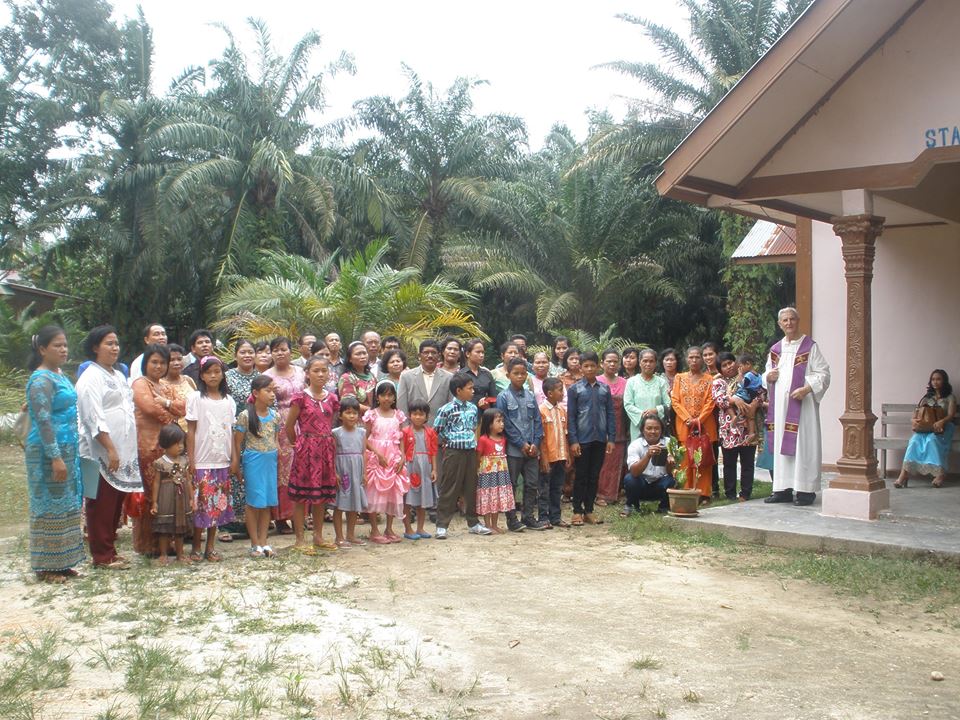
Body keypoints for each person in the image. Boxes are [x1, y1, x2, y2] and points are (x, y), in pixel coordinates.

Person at [76, 325, 142, 569]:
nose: (115, 348)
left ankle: (110, 550)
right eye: (109, 344)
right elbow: (92, 416)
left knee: (114, 502)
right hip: (97, 451)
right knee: (99, 502)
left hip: (122, 449)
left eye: (116, 343)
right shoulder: (90, 377)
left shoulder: (117, 375)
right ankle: (101, 555)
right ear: (95, 347)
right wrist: (109, 448)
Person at [24, 326, 85, 582]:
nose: (63, 350)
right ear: (42, 349)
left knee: (67, 505)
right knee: (49, 507)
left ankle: (63, 562)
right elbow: (43, 421)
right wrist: (55, 457)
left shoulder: (59, 375)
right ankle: (47, 566)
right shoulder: (40, 380)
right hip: (47, 453)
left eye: (65, 345)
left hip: (68, 449)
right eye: (57, 345)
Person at [763, 307, 831, 506]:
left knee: (803, 446)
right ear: (780, 324)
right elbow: (766, 374)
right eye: (785, 320)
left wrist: (807, 389)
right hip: (781, 410)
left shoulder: (810, 347)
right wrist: (768, 377)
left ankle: (805, 491)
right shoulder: (776, 350)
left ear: (798, 321)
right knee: (782, 446)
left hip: (803, 409)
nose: (789, 323)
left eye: (792, 319)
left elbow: (824, 373)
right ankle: (782, 489)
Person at [132, 344, 185, 556]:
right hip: (148, 447)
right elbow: (149, 408)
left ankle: (166, 542)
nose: (159, 366)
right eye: (154, 362)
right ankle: (147, 544)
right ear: (146, 363)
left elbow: (183, 407)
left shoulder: (164, 386)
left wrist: (167, 403)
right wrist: (171, 413)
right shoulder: (140, 383)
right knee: (150, 495)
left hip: (168, 448)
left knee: (168, 494)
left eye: (163, 362)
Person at [286, 356, 339, 551]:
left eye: (324, 370)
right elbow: (289, 426)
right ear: (307, 373)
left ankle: (318, 536)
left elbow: (331, 424)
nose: (320, 374)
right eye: (316, 370)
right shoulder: (300, 398)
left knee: (321, 495)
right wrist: (298, 444)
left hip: (326, 450)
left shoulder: (332, 398)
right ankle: (300, 539)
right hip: (305, 451)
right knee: (300, 496)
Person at [186, 356, 236, 561]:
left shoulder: (229, 400)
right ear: (202, 375)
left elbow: (231, 432)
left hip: (222, 460)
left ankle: (211, 547)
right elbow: (191, 430)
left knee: (217, 505)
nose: (213, 376)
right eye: (209, 372)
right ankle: (196, 547)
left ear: (223, 374)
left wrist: (234, 458)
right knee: (200, 506)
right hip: (202, 460)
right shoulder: (196, 398)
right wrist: (191, 459)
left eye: (217, 371)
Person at [433, 375, 490, 539]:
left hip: (470, 451)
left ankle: (473, 523)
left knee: (471, 487)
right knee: (449, 487)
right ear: (458, 390)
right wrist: (449, 440)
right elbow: (437, 429)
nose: (473, 391)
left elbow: (473, 427)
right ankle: (442, 525)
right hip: (454, 452)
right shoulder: (446, 409)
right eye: (469, 388)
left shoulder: (473, 408)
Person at [232, 375, 280, 558]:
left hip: (270, 461)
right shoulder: (245, 416)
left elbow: (275, 439)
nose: (272, 394)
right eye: (268, 390)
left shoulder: (275, 416)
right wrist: (236, 465)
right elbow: (237, 443)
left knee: (267, 503)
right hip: (253, 461)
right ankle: (254, 544)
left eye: (273, 390)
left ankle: (264, 541)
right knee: (253, 503)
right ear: (256, 393)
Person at [496, 358, 546, 531]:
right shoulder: (503, 397)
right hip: (514, 450)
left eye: (523, 373)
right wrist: (520, 443)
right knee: (511, 484)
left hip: (532, 449)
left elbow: (537, 421)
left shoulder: (530, 396)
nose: (520, 376)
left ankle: (528, 517)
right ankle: (512, 519)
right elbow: (505, 424)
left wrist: (536, 443)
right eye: (516, 373)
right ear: (508, 375)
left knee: (532, 483)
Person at [567, 351, 616, 526]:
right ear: (580, 368)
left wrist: (611, 438)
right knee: (581, 475)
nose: (589, 369)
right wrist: (573, 440)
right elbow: (571, 416)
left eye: (592, 366)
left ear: (598, 367)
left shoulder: (604, 389)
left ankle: (589, 510)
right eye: (586, 366)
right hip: (582, 439)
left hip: (600, 439)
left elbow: (610, 414)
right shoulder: (575, 389)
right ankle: (577, 511)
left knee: (594, 476)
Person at [264, 336, 305, 529]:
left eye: (283, 349)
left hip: (302, 424)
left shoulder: (301, 372)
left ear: (291, 351)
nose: (280, 353)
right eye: (276, 350)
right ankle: (281, 517)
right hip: (279, 425)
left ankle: (301, 516)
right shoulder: (267, 376)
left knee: (301, 466)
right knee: (282, 470)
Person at [363, 380, 410, 544]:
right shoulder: (372, 414)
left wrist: (402, 455)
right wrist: (377, 454)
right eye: (383, 395)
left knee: (393, 491)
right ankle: (374, 530)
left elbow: (400, 437)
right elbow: (364, 438)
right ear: (377, 397)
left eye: (390, 395)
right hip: (376, 458)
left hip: (393, 457)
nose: (387, 398)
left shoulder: (398, 415)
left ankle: (389, 528)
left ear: (395, 397)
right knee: (373, 492)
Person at [670, 346, 718, 503]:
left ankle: (703, 494)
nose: (694, 360)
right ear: (686, 359)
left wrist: (698, 420)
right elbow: (675, 400)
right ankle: (686, 491)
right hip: (684, 425)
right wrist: (687, 419)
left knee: (703, 460)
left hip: (704, 425)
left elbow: (711, 401)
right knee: (685, 459)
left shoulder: (709, 379)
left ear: (701, 359)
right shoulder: (679, 378)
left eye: (697, 357)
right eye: (691, 357)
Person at [895, 369, 956, 489]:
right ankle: (904, 474)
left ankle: (940, 474)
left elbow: (951, 415)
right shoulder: (927, 397)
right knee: (914, 441)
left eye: (938, 379)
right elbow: (916, 413)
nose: (935, 382)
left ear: (944, 381)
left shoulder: (950, 397)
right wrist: (913, 420)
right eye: (933, 379)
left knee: (932, 440)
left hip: (943, 427)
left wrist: (942, 421)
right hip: (926, 428)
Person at [712, 352, 759, 501]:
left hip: (748, 426)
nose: (729, 367)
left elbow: (759, 391)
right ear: (720, 369)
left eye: (730, 362)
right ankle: (730, 493)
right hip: (729, 429)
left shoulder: (748, 377)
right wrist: (735, 400)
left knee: (748, 462)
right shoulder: (719, 383)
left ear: (736, 363)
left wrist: (754, 404)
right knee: (729, 463)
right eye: (724, 365)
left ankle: (745, 493)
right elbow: (719, 400)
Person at [151, 424, 195, 565]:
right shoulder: (161, 463)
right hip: (166, 498)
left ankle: (180, 555)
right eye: (176, 444)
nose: (180, 446)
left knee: (180, 528)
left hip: (182, 499)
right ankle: (163, 554)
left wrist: (191, 499)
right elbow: (156, 483)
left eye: (181, 443)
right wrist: (154, 502)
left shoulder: (184, 461)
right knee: (164, 527)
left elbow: (188, 480)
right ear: (166, 444)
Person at [332, 397, 369, 548]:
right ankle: (339, 537)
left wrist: (364, 473)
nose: (352, 416)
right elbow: (332, 454)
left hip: (357, 471)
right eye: (348, 412)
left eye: (355, 413)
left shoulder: (362, 432)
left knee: (354, 502)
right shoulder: (336, 433)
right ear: (340, 415)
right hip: (343, 471)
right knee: (340, 504)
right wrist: (334, 473)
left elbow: (364, 452)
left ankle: (351, 535)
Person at [622, 415, 676, 515]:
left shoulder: (669, 443)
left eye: (656, 428)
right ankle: (632, 505)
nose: (653, 431)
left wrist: (669, 462)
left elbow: (671, 472)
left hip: (660, 483)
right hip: (641, 484)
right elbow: (634, 472)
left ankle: (664, 506)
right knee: (630, 479)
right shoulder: (635, 445)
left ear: (661, 430)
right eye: (649, 428)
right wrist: (648, 455)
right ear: (643, 430)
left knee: (671, 480)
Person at [401, 401, 439, 540]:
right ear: (409, 415)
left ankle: (420, 528)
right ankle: (408, 528)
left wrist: (434, 469)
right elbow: (402, 451)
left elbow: (433, 452)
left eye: (421, 414)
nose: (417, 417)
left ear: (426, 416)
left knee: (423, 498)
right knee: (408, 499)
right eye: (414, 414)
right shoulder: (405, 432)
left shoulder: (430, 432)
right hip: (410, 467)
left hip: (425, 467)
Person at [596, 348, 628, 506]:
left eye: (615, 361)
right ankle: (600, 494)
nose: (612, 364)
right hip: (600, 428)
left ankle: (613, 493)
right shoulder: (596, 381)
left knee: (616, 462)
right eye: (609, 361)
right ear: (602, 363)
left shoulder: (625, 382)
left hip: (620, 427)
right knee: (602, 462)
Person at [539, 377, 571, 528]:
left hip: (561, 456)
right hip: (548, 457)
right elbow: (541, 437)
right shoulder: (541, 410)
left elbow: (565, 434)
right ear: (550, 393)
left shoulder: (562, 410)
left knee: (557, 488)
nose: (562, 393)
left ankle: (556, 517)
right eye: (560, 390)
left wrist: (567, 455)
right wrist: (543, 458)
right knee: (544, 488)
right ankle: (543, 517)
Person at [475, 408, 514, 534]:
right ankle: (487, 525)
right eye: (498, 421)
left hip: (501, 474)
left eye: (502, 421)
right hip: (487, 474)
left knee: (496, 497)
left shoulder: (503, 439)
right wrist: (478, 470)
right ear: (489, 424)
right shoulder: (483, 439)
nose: (502, 424)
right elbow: (478, 457)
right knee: (487, 497)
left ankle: (495, 525)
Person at [396, 340, 452, 424]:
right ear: (419, 356)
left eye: (433, 353)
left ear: (439, 356)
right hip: (413, 428)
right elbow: (401, 407)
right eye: (426, 352)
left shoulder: (449, 378)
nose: (430, 356)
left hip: (440, 428)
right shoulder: (406, 377)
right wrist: (405, 428)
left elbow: (451, 406)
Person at [624, 349, 672, 442]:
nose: (648, 364)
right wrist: (643, 414)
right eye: (645, 361)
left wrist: (656, 410)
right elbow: (628, 405)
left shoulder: (661, 382)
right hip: (638, 426)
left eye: (651, 361)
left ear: (655, 363)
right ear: (639, 362)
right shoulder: (631, 382)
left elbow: (668, 404)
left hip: (657, 427)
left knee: (657, 449)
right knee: (639, 449)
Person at [161, 344, 196, 433]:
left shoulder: (188, 380)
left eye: (179, 359)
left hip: (194, 429)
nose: (176, 363)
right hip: (173, 433)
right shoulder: (160, 384)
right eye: (172, 360)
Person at [338, 341, 376, 414]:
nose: (363, 356)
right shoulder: (347, 378)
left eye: (364, 353)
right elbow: (349, 403)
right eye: (358, 354)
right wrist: (373, 412)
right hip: (356, 418)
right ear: (350, 359)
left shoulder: (372, 376)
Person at [225, 339, 260, 415]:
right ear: (235, 356)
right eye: (243, 352)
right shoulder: (226, 377)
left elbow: (271, 403)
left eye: (250, 352)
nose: (247, 355)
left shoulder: (261, 378)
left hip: (258, 420)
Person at [734, 354, 763, 443]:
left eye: (740, 367)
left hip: (748, 395)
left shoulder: (748, 375)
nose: (740, 369)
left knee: (735, 399)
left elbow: (744, 385)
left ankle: (749, 430)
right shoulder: (759, 375)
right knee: (751, 416)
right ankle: (751, 432)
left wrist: (740, 377)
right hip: (756, 395)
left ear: (748, 364)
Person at [460, 338, 496, 409]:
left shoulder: (487, 374)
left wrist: (487, 404)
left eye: (483, 352)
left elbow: (494, 398)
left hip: (485, 413)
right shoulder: (460, 375)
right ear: (468, 354)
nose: (481, 355)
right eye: (478, 352)